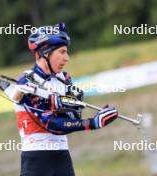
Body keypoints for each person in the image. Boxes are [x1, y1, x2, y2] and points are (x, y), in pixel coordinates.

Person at [14, 22, 118, 176]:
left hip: (62, 157)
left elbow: (72, 118)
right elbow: (51, 124)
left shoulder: (65, 79)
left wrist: (73, 105)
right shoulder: (26, 81)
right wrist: (91, 123)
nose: (67, 58)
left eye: (67, 52)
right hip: (36, 160)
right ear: (45, 52)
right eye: (62, 52)